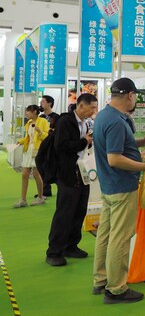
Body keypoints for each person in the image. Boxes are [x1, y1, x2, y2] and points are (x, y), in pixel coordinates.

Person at [92, 78, 145, 304]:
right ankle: (116, 288)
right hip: (121, 186)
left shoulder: (104, 115)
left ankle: (101, 279)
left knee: (106, 234)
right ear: (130, 95)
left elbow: (117, 146)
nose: (135, 100)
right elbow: (115, 158)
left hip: (110, 187)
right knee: (120, 238)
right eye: (136, 96)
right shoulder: (118, 122)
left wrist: (142, 142)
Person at [45, 93, 98, 267]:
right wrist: (84, 141)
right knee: (64, 212)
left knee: (80, 210)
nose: (94, 111)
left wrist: (87, 141)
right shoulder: (65, 121)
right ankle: (54, 251)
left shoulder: (84, 123)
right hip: (68, 173)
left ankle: (71, 245)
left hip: (82, 172)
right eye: (92, 107)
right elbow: (61, 146)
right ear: (81, 106)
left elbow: (80, 145)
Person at [13, 105, 50, 208]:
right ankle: (23, 200)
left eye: (28, 112)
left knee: (36, 174)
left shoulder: (43, 121)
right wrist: (20, 142)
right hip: (28, 150)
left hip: (38, 150)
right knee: (24, 174)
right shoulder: (28, 123)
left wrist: (40, 131)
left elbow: (47, 137)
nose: (26, 114)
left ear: (34, 112)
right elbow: (28, 138)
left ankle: (40, 197)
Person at [39, 95, 60, 197]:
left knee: (52, 167)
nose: (41, 104)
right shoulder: (40, 117)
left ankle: (61, 187)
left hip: (52, 146)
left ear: (49, 104)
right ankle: (45, 190)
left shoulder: (56, 117)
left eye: (43, 102)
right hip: (42, 145)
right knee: (42, 167)